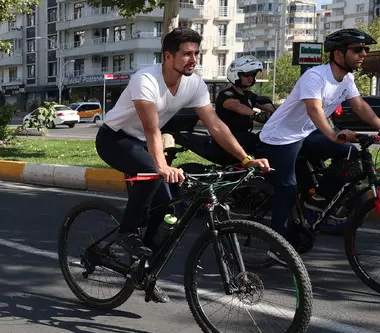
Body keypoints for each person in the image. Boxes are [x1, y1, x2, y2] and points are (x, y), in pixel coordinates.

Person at [96, 28, 270, 301]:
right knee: (153, 173)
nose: (193, 59)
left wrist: (246, 159)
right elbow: (152, 130)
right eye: (186, 54)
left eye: (196, 54)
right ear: (168, 56)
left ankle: (144, 272)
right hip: (115, 139)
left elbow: (216, 126)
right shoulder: (146, 80)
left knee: (169, 214)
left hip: (142, 145)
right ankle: (127, 232)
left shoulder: (194, 84)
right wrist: (162, 167)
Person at [258, 28, 380, 235]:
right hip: (281, 137)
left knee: (350, 152)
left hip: (306, 134)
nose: (364, 54)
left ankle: (317, 199)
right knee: (287, 189)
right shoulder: (315, 76)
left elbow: (360, 107)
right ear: (338, 53)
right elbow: (313, 109)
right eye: (358, 49)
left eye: (365, 49)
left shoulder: (347, 80)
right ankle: (278, 243)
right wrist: (333, 135)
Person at [215, 56, 276, 153]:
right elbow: (236, 106)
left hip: (244, 136)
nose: (251, 78)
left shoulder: (248, 95)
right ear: (236, 75)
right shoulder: (226, 94)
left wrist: (279, 113)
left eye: (253, 75)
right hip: (228, 137)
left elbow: (262, 103)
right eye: (247, 75)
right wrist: (256, 115)